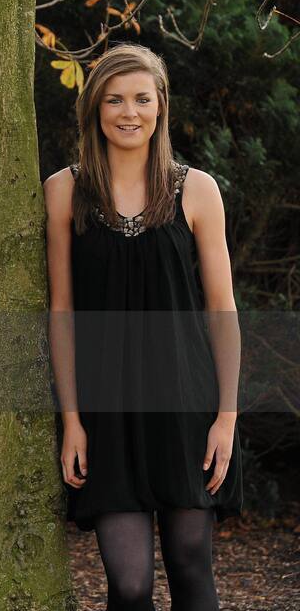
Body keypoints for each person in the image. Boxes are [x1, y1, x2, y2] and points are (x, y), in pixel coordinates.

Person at [44, 44, 242, 610]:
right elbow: (61, 311)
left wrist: (226, 418)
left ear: (161, 107)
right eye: (114, 100)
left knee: (190, 564)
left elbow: (222, 309)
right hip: (106, 412)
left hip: (186, 405)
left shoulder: (197, 189)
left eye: (141, 99)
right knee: (129, 585)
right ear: (94, 109)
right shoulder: (63, 191)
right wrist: (72, 420)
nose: (129, 112)